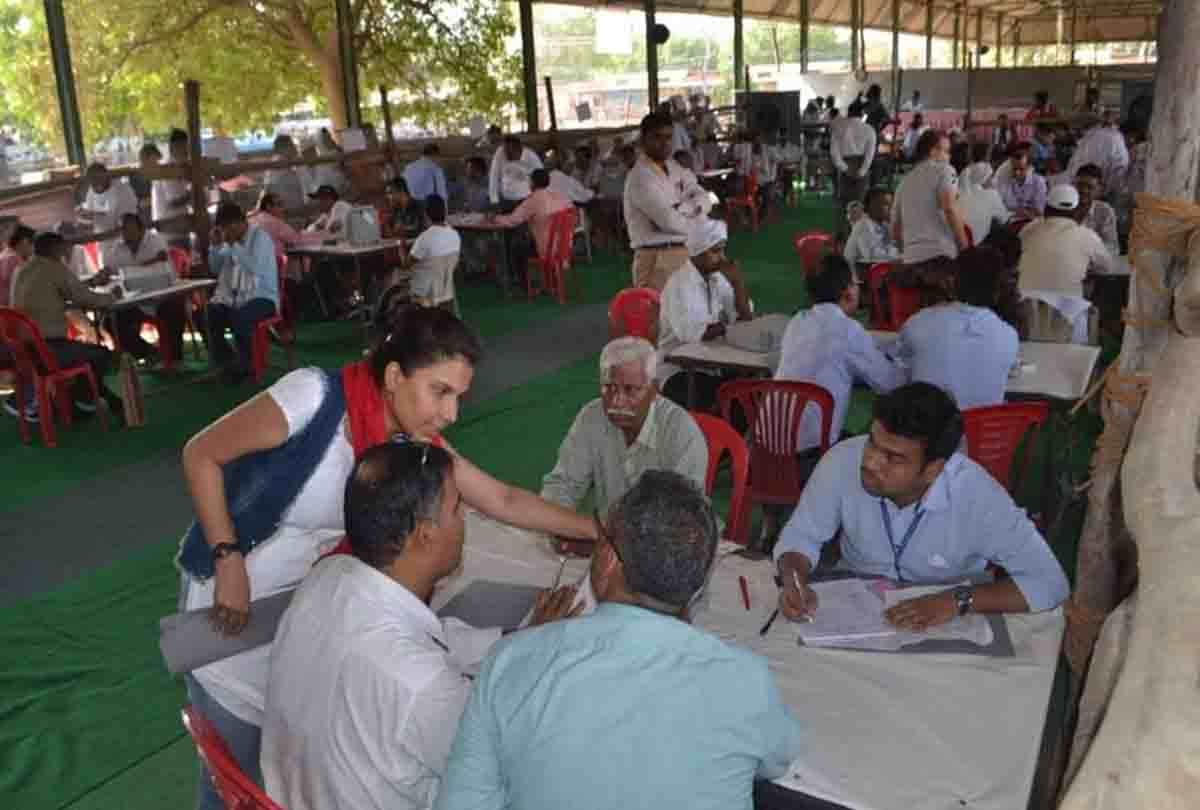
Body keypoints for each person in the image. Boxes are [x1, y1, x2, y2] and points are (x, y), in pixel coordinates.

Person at [177, 306, 598, 810]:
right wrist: (228, 561)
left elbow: (502, 499)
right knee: (234, 774)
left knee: (289, 753)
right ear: (395, 375)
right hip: (232, 606)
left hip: (303, 611)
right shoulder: (314, 397)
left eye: (458, 397)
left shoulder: (407, 445)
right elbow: (201, 453)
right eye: (440, 391)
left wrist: (597, 529)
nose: (451, 414)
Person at [436, 472, 804, 810]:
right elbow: (779, 755)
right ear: (699, 580)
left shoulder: (510, 662)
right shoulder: (746, 681)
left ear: (607, 559)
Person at [261, 441, 578, 810]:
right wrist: (536, 667)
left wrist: (518, 642)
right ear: (426, 535)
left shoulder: (329, 577)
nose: (465, 519)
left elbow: (428, 640)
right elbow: (504, 765)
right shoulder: (420, 684)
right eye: (458, 507)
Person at [775, 383, 1070, 629]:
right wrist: (794, 580)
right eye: (873, 443)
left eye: (893, 458)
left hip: (947, 619)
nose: (871, 461)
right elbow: (802, 536)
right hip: (856, 607)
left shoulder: (976, 494)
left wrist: (956, 600)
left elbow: (1050, 582)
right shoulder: (841, 461)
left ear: (933, 469)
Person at [542, 337, 707, 517]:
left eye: (630, 390)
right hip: (609, 535)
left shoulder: (682, 432)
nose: (617, 401)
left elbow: (683, 514)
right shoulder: (591, 417)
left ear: (654, 390)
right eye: (609, 387)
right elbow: (563, 485)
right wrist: (553, 523)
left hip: (666, 537)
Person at [775, 255, 902, 456]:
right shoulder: (848, 330)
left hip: (769, 446)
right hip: (811, 455)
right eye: (856, 283)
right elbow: (890, 383)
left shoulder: (798, 321)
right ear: (848, 293)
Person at [7, 231, 123, 421]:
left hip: (22, 348)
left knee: (84, 352)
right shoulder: (54, 267)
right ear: (55, 249)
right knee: (100, 355)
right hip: (49, 348)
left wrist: (91, 282)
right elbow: (83, 297)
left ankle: (40, 398)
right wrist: (111, 297)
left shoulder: (21, 269)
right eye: (62, 248)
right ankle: (82, 401)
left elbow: (58, 289)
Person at [891, 258, 1018, 409]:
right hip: (984, 430)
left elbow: (900, 367)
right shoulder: (1008, 334)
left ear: (953, 283)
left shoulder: (918, 323)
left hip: (929, 427)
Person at [656, 219, 752, 411]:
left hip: (714, 364)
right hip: (679, 371)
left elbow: (746, 318)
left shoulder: (717, 278)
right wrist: (731, 327)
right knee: (733, 401)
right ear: (697, 252)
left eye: (723, 250)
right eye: (715, 251)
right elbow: (693, 335)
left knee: (753, 388)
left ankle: (733, 439)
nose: (723, 258)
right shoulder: (679, 285)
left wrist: (738, 284)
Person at [623, 110, 710, 290]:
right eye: (657, 137)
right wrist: (694, 214)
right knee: (661, 317)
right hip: (656, 259)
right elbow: (670, 222)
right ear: (643, 139)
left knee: (692, 314)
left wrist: (681, 208)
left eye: (668, 137)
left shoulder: (674, 167)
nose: (664, 143)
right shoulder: (640, 177)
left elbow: (703, 197)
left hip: (683, 252)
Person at [1017, 185, 1114, 342]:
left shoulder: (1029, 230)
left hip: (1027, 318)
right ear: (1076, 212)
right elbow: (1107, 267)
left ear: (1046, 209)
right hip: (1068, 323)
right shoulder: (1087, 235)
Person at [206, 202, 280, 383]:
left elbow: (256, 268)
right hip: (235, 297)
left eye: (226, 228)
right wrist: (215, 247)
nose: (225, 232)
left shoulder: (260, 238)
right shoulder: (228, 241)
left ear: (237, 223)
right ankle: (227, 362)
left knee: (240, 317)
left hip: (263, 298)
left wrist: (234, 246)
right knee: (209, 313)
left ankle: (250, 366)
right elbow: (215, 269)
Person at [102, 213, 186, 364]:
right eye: (122, 229)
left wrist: (129, 270)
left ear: (141, 229)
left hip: (162, 297)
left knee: (174, 310)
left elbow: (161, 260)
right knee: (110, 322)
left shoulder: (155, 241)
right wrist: (104, 275)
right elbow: (109, 270)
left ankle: (175, 359)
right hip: (135, 301)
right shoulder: (117, 248)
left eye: (128, 228)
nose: (125, 232)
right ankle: (148, 352)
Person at [892, 129, 969, 269]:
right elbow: (950, 208)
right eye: (946, 151)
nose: (949, 157)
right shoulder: (945, 170)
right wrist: (965, 248)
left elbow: (895, 228)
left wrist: (908, 252)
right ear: (933, 151)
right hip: (940, 256)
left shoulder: (904, 182)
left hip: (911, 261)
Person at [491, 168, 572, 280]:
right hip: (564, 247)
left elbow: (512, 220)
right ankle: (551, 277)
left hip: (547, 249)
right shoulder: (559, 196)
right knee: (527, 240)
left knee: (516, 245)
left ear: (532, 182)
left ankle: (522, 283)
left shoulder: (533, 200)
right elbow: (571, 210)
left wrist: (495, 218)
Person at [831, 100, 877, 239]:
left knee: (843, 203)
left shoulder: (839, 127)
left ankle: (842, 236)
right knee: (859, 203)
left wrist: (844, 168)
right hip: (861, 166)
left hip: (845, 166)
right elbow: (870, 154)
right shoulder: (869, 129)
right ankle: (858, 236)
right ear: (862, 114)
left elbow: (834, 152)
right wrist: (862, 171)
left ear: (848, 112)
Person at [406, 195, 461, 310]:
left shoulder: (424, 238)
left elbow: (407, 264)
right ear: (445, 211)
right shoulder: (455, 235)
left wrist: (400, 247)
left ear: (426, 214)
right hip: (447, 292)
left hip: (424, 295)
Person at [1066, 115, 1130, 198]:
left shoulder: (1096, 137)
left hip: (1087, 187)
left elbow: (1074, 166)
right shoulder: (1114, 138)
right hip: (1096, 188)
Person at [249, 191, 327, 255]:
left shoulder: (252, 219)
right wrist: (325, 238)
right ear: (268, 206)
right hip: (272, 264)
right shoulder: (275, 222)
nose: (283, 209)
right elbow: (297, 240)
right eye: (279, 205)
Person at [152, 129, 193, 249]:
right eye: (184, 146)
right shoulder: (169, 169)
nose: (187, 151)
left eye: (187, 146)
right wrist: (195, 191)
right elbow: (174, 202)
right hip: (171, 232)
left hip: (178, 230)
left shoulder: (179, 167)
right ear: (173, 147)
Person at [78, 162, 139, 239]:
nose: (96, 182)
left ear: (107, 175)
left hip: (123, 240)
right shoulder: (91, 191)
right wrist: (83, 218)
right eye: (92, 179)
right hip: (102, 241)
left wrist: (94, 217)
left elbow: (127, 223)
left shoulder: (122, 189)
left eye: (99, 178)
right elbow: (91, 217)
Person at [957, 161, 1011, 246]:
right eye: (990, 177)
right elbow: (1004, 219)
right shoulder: (992, 194)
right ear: (983, 179)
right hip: (975, 243)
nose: (992, 180)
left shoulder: (959, 193)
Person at [843, 187, 899, 267]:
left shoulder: (884, 225)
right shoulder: (862, 226)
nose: (891, 209)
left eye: (892, 205)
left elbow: (892, 245)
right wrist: (900, 255)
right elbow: (872, 255)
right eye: (886, 204)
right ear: (872, 206)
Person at [1073, 163, 1119, 256]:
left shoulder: (1105, 211)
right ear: (1073, 185)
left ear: (1099, 189)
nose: (1084, 190)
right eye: (1080, 185)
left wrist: (1088, 255)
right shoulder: (1062, 206)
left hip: (1093, 265)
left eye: (1090, 187)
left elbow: (1112, 247)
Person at [488, 134, 543, 210]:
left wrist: (538, 200)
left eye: (510, 153)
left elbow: (542, 180)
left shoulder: (532, 157)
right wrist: (494, 200)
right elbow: (493, 176)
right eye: (505, 151)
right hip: (505, 199)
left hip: (525, 200)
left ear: (519, 149)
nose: (506, 155)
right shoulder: (500, 152)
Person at [997, 143, 1047, 220]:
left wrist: (1018, 211)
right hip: (1011, 222)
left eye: (1021, 169)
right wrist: (1024, 211)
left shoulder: (1038, 182)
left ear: (1029, 167)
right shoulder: (1006, 179)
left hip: (1032, 223)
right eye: (1014, 169)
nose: (1017, 173)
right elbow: (1003, 206)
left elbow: (1039, 211)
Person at [264, 135, 307, 212]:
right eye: (292, 145)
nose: (295, 148)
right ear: (283, 148)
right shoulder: (280, 165)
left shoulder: (285, 165)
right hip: (289, 213)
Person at [0, 223, 33, 307]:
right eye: (32, 244)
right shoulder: (14, 260)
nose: (33, 249)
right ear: (24, 242)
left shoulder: (4, 255)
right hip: (9, 312)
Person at [129, 143, 161, 214]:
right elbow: (139, 202)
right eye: (154, 160)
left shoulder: (158, 173)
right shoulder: (134, 176)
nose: (157, 163)